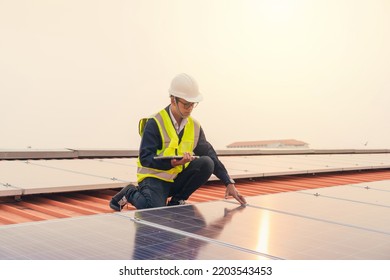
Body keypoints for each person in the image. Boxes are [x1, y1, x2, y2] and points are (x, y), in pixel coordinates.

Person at [109, 73, 247, 211]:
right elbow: (145, 158)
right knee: (152, 210)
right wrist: (171, 163)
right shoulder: (155, 122)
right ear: (173, 100)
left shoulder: (194, 126)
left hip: (175, 179)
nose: (190, 108)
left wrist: (228, 182)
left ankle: (177, 200)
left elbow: (210, 154)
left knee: (207, 163)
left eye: (193, 104)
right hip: (154, 178)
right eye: (186, 104)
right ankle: (130, 192)